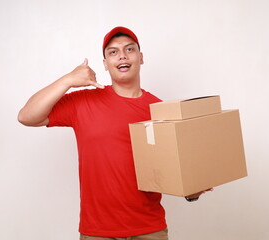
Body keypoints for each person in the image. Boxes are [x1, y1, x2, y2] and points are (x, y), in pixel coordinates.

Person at [18, 26, 209, 239]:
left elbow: (174, 169)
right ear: (105, 64)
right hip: (97, 232)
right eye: (113, 52)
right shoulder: (83, 102)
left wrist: (192, 191)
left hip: (149, 229)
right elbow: (27, 116)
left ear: (141, 57)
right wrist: (68, 80)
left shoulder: (160, 110)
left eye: (129, 49)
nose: (122, 56)